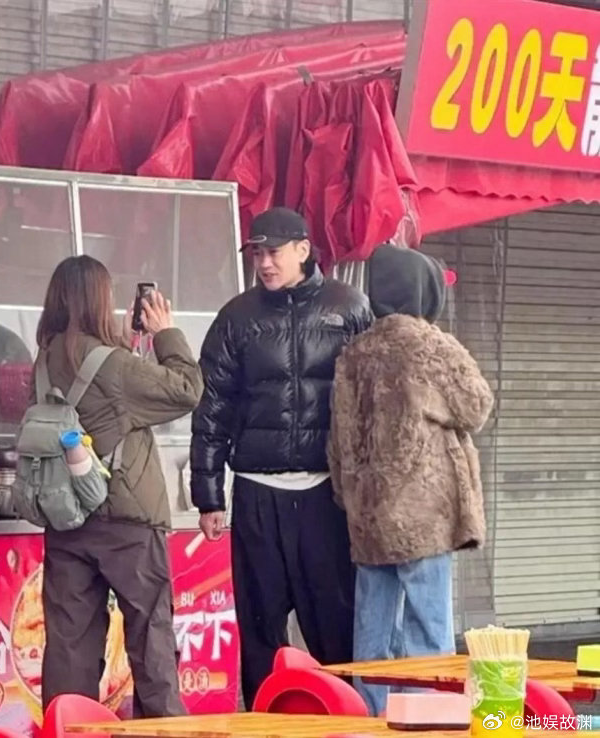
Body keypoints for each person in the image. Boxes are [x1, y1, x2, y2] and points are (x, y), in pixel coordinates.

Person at [190, 207, 373, 709]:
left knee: (336, 628)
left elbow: (371, 402)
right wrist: (208, 496)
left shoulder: (350, 308)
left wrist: (368, 492)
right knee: (260, 631)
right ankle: (265, 721)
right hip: (257, 493)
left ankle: (347, 722)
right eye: (257, 254)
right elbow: (212, 408)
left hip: (326, 496)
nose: (265, 263)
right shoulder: (237, 318)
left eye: (273, 252)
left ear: (303, 250)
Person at [327, 244, 494, 716]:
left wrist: (350, 498)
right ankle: (427, 719)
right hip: (423, 516)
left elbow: (338, 438)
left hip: (368, 517)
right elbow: (476, 406)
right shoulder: (428, 346)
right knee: (428, 631)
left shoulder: (353, 353)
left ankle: (371, 717)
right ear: (423, 291)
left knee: (373, 632)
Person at [36, 255, 203, 717]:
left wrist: (127, 346)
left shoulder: (45, 360)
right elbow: (187, 389)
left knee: (69, 646)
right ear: (99, 300)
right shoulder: (113, 365)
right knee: (151, 641)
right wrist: (165, 333)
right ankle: (161, 730)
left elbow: (96, 400)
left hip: (67, 518)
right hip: (128, 523)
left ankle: (67, 726)